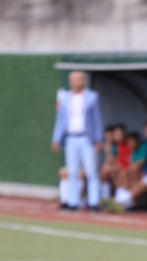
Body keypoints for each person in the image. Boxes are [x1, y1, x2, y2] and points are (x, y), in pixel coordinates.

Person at [51, 71, 103, 211]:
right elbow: (60, 119)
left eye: (78, 79)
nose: (75, 82)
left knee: (91, 171)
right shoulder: (65, 97)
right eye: (72, 80)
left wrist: (99, 139)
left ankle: (94, 202)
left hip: (87, 138)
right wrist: (56, 138)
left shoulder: (92, 97)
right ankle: (72, 202)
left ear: (84, 81)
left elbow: (96, 119)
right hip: (71, 137)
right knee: (72, 171)